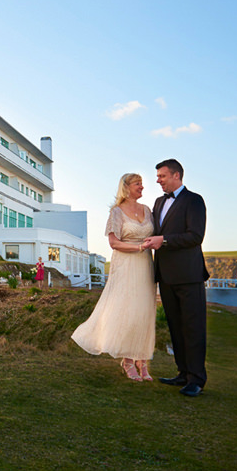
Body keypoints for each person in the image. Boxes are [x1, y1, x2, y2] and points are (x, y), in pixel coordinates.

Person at [71, 173, 156, 382]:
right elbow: (114, 243)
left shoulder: (147, 210)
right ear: (126, 187)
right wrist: (139, 247)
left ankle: (142, 359)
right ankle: (127, 360)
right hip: (126, 264)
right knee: (129, 310)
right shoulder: (116, 212)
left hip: (145, 265)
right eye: (138, 184)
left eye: (142, 184)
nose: (142, 187)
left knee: (145, 311)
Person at [143, 159, 209, 398]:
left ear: (176, 175)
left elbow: (195, 236)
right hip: (165, 276)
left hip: (189, 275)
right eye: (157, 176)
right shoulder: (159, 202)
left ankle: (196, 379)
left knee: (193, 328)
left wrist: (165, 241)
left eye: (161, 176)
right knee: (176, 327)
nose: (158, 180)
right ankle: (182, 373)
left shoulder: (194, 200)